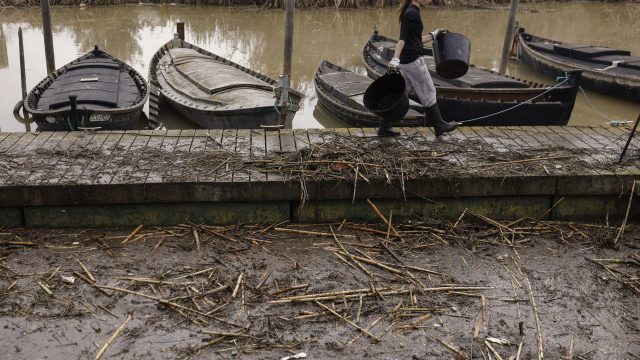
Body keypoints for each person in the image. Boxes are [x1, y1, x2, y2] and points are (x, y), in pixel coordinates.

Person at [384, 0, 460, 137]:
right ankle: (440, 126)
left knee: (399, 96)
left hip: (406, 62)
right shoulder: (412, 14)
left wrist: (433, 35)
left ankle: (384, 127)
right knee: (429, 92)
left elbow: (414, 39)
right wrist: (394, 59)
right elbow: (402, 39)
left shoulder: (412, 11)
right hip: (413, 62)